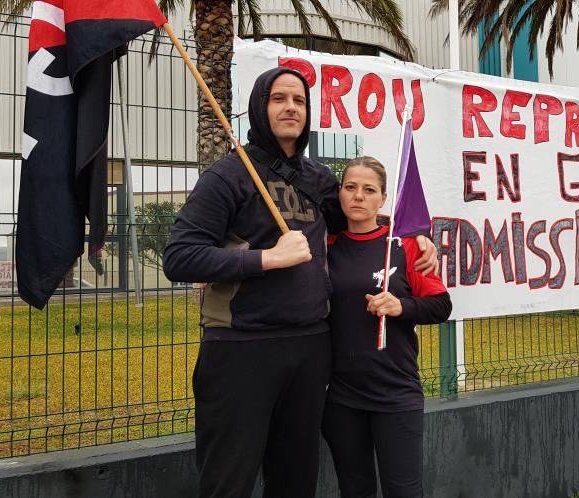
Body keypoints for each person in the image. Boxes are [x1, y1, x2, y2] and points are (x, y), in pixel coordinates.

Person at [162, 67, 437, 497]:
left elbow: (360, 217)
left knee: (295, 480)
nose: (291, 107)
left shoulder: (319, 179)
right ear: (259, 106)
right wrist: (266, 259)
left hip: (311, 347)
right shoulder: (228, 176)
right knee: (228, 480)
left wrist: (415, 233)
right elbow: (179, 257)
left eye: (300, 100)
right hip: (241, 346)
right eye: (279, 99)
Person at [321, 157, 452, 498]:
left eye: (369, 190)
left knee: (404, 491)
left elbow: (441, 306)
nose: (358, 197)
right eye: (350, 188)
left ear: (383, 199)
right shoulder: (326, 245)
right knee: (355, 489)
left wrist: (401, 306)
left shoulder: (407, 245)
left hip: (395, 392)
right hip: (341, 396)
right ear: (340, 193)